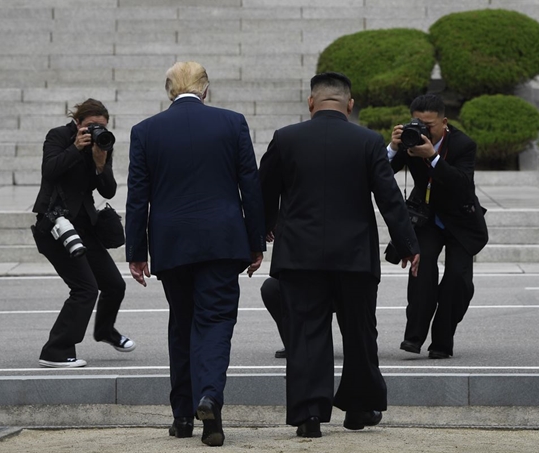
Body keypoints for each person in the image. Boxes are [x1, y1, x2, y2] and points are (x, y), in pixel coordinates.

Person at [259, 72, 420, 438]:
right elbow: (389, 198)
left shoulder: (286, 138)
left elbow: (263, 191)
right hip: (354, 256)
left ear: (311, 103)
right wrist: (410, 246)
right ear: (350, 105)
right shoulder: (367, 141)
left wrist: (263, 231)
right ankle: (359, 408)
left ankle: (308, 415)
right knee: (360, 333)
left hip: (300, 255)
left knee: (306, 334)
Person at [125, 61, 266, 447]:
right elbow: (249, 185)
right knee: (215, 321)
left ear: (169, 90)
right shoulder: (232, 122)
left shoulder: (145, 131)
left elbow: (138, 197)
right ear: (206, 90)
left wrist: (136, 251)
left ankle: (183, 416)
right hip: (222, 240)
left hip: (171, 243)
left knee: (182, 323)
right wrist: (256, 241)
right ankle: (210, 401)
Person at [31, 98, 135, 368]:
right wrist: (76, 148)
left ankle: (104, 331)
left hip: (84, 227)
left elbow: (109, 191)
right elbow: (49, 171)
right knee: (85, 289)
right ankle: (56, 350)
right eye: (90, 126)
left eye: (101, 126)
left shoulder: (103, 142)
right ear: (77, 123)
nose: (96, 131)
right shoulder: (58, 136)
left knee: (114, 284)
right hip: (55, 226)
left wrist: (100, 164)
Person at [387, 94, 488, 359]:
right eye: (418, 123)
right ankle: (413, 338)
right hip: (427, 218)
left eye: (429, 125)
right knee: (422, 270)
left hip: (461, 220)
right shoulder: (409, 141)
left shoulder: (464, 144)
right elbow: (381, 173)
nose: (424, 131)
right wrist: (392, 148)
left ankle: (442, 341)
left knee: (457, 280)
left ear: (444, 122)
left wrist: (433, 158)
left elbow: (462, 185)